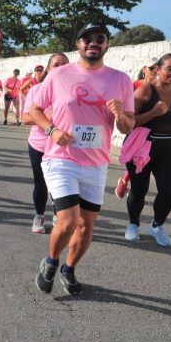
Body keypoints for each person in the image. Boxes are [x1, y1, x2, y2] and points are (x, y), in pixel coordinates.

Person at [30, 24, 134, 295]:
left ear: (107, 45)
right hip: (61, 159)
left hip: (96, 163)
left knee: (87, 225)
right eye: (88, 38)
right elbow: (35, 109)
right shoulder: (59, 75)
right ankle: (51, 262)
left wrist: (120, 114)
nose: (94, 43)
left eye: (100, 39)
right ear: (78, 44)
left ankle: (69, 269)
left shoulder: (120, 80)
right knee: (68, 220)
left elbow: (127, 127)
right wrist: (52, 131)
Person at [122, 53, 171, 246]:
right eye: (169, 69)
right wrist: (153, 113)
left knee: (168, 190)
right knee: (139, 189)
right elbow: (129, 122)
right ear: (158, 70)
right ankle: (133, 224)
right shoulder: (145, 91)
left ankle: (156, 225)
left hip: (169, 146)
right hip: (143, 145)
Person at [22, 53, 70, 233]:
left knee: (60, 184)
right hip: (39, 145)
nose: (61, 68)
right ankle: (39, 215)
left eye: (65, 64)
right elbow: (25, 118)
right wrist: (45, 118)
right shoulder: (36, 90)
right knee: (41, 183)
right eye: (56, 65)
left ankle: (58, 215)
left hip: (62, 147)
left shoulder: (74, 92)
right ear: (49, 69)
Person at [114, 64, 155, 198]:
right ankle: (126, 183)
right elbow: (128, 109)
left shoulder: (161, 89)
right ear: (144, 69)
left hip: (153, 133)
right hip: (136, 131)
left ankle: (128, 183)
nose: (155, 72)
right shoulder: (134, 86)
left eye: (157, 69)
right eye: (152, 68)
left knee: (142, 160)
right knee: (134, 158)